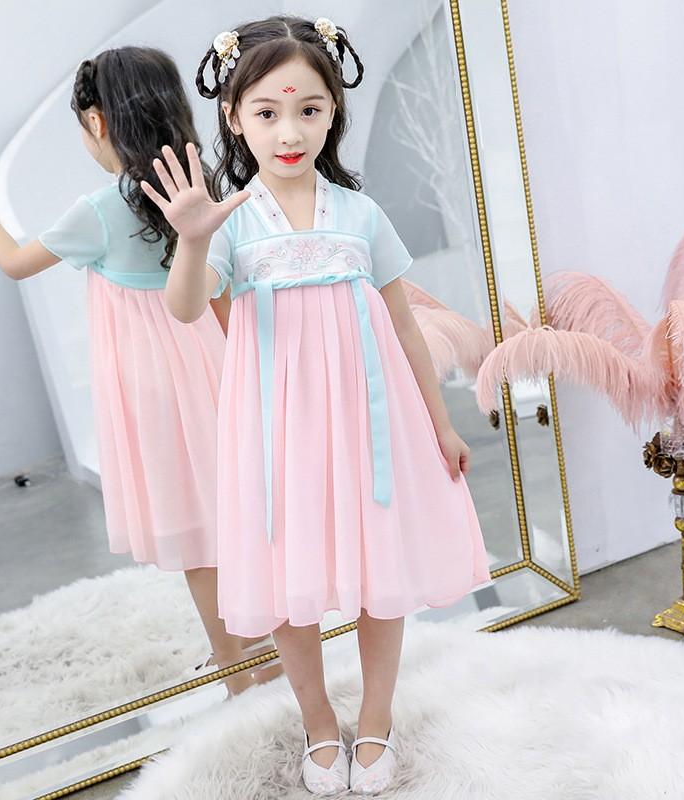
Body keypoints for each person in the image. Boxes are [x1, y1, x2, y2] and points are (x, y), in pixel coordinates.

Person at [141, 17, 492, 794]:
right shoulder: (231, 222)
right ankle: (319, 724)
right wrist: (192, 241)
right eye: (267, 112)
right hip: (275, 432)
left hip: (371, 424)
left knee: (378, 568)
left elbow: (404, 325)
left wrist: (441, 424)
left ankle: (376, 719)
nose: (290, 131)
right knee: (286, 579)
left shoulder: (361, 214)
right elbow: (186, 308)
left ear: (334, 110)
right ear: (234, 118)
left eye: (308, 109)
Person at [0, 46, 271, 697]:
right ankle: (269, 648)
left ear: (97, 121)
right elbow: (224, 295)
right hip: (215, 365)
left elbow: (15, 263)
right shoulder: (203, 187)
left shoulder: (98, 210)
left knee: (194, 530)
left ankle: (235, 668)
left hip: (152, 384)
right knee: (236, 511)